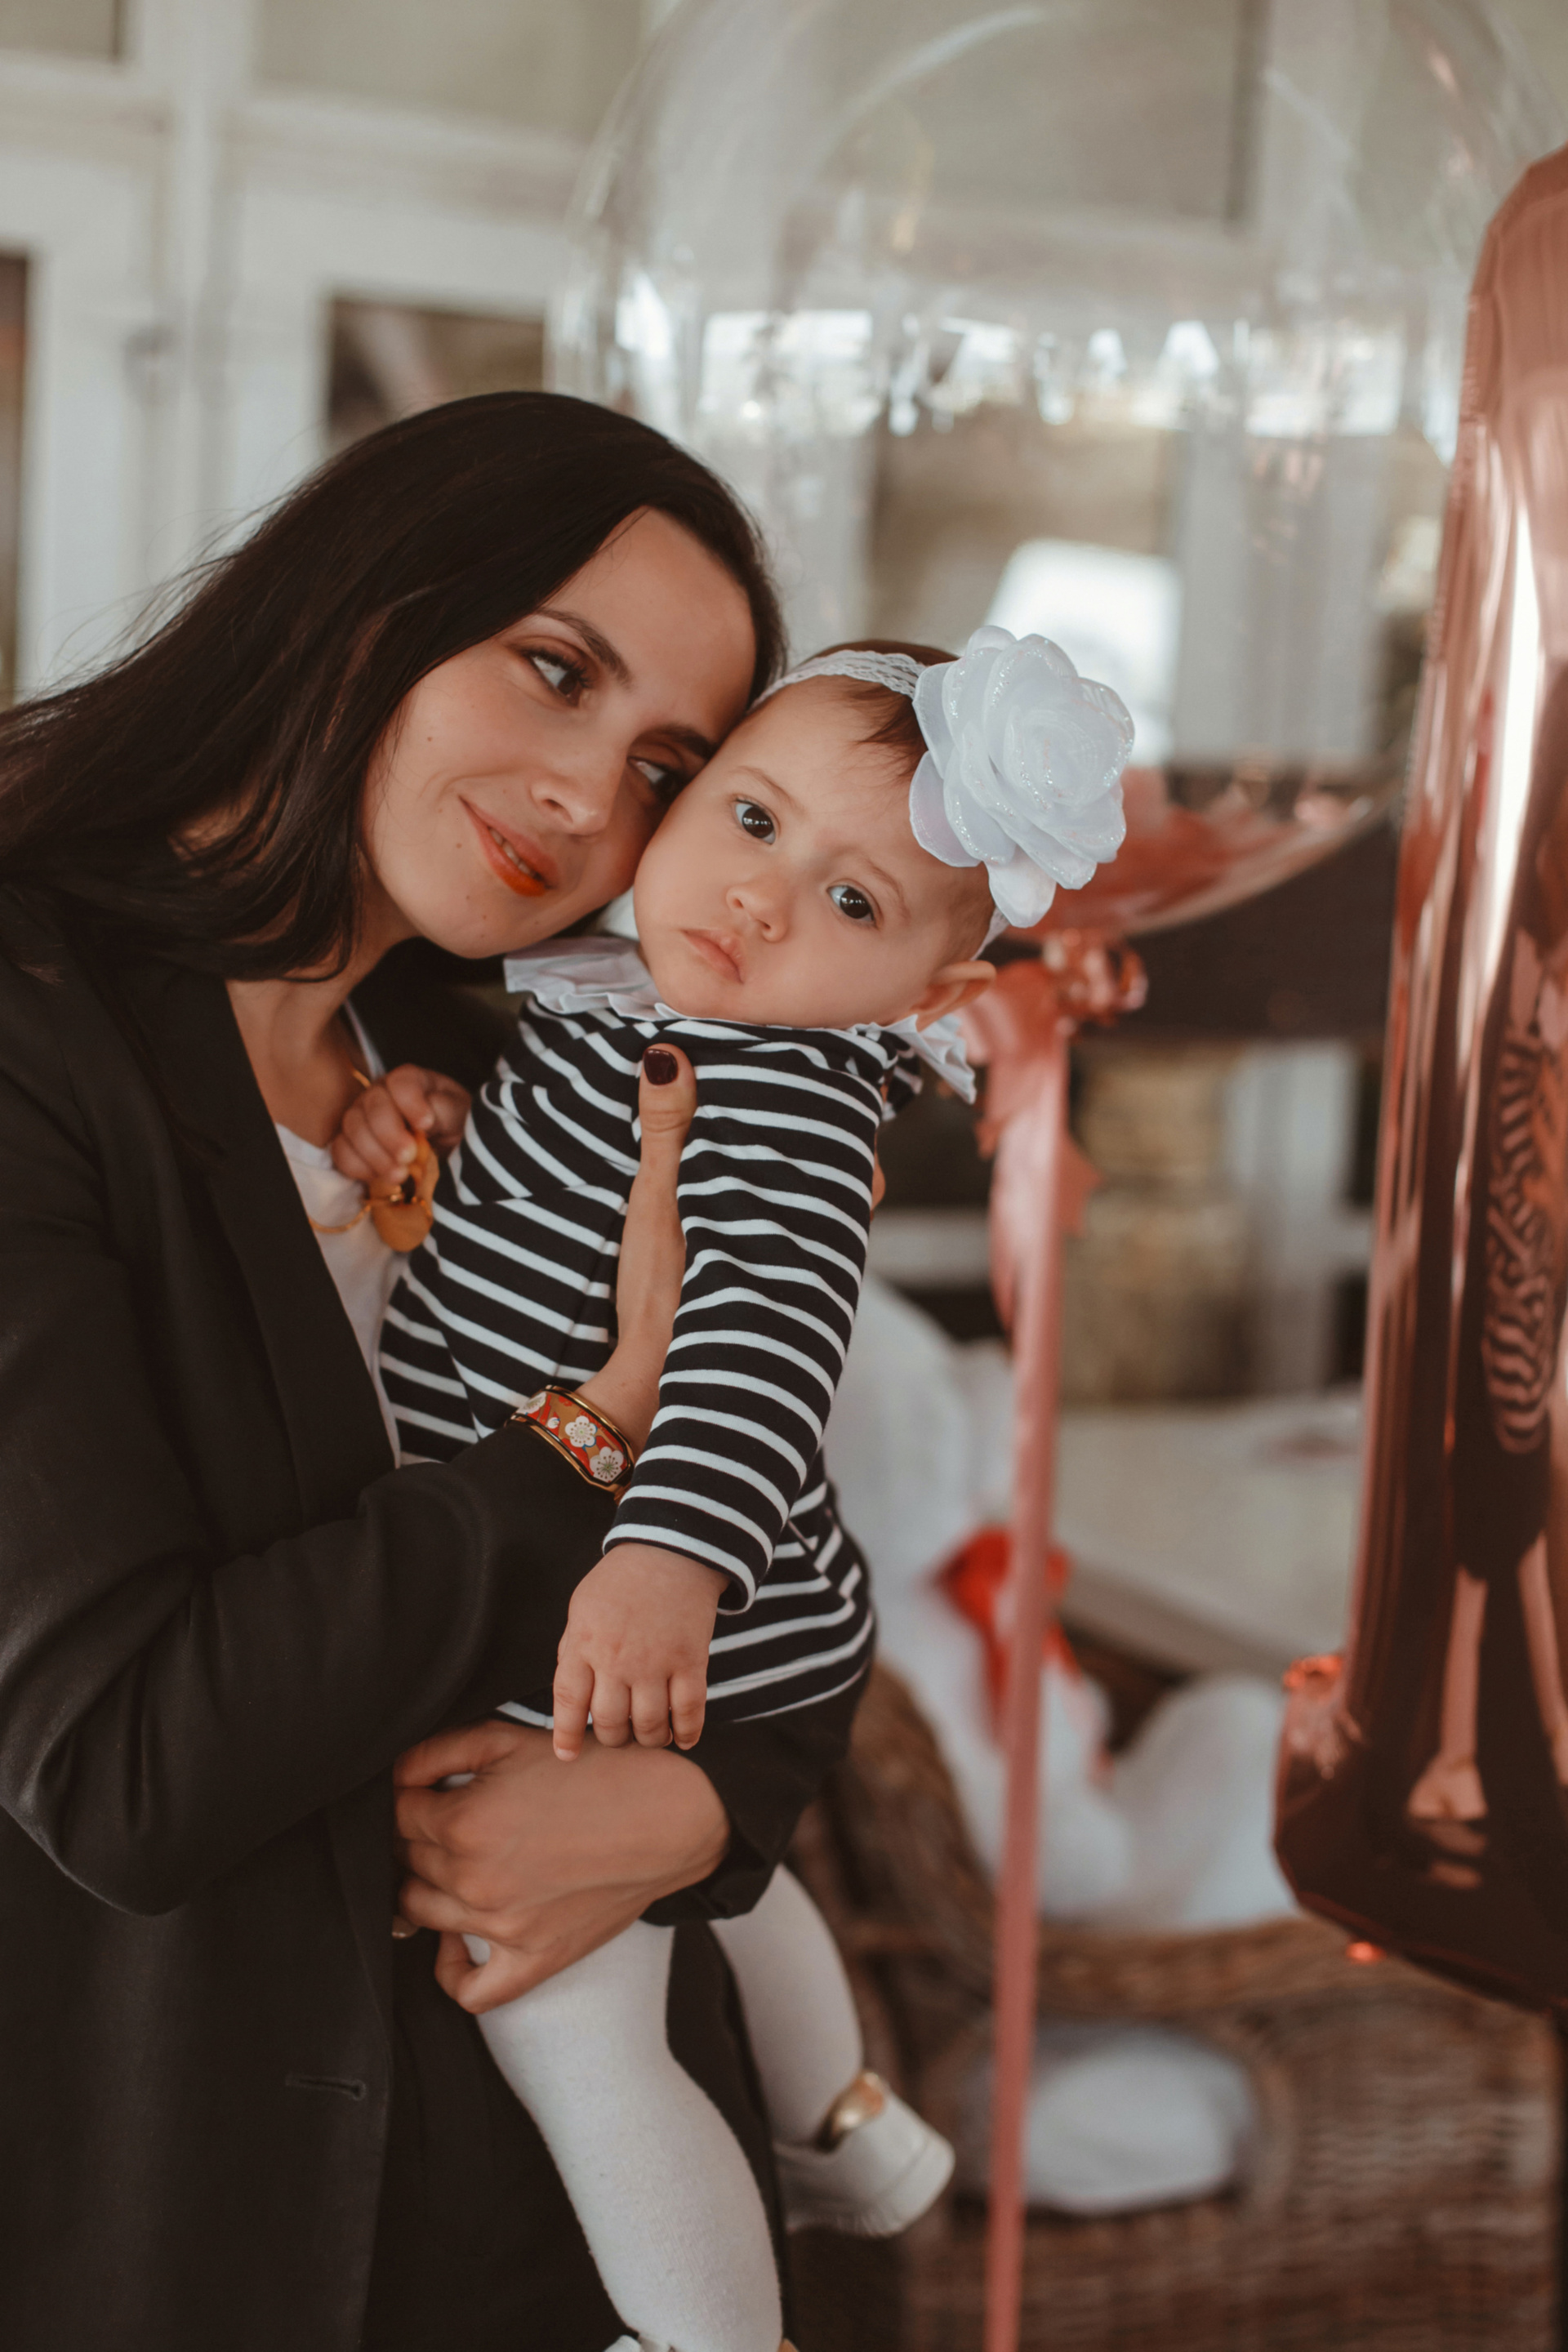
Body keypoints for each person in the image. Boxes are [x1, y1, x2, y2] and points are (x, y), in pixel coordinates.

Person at [0, 390, 872, 2352]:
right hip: (204, 2213)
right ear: (365, 605)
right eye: (555, 670)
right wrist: (595, 1431)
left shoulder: (515, 1067)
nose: (583, 796)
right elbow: (122, 1765)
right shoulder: (38, 1032)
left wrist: (695, 1813)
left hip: (553, 2225)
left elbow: (786, 1562)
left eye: (665, 767)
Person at [336, 629, 1133, 2352]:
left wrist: (666, 1566)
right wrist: (436, 1127)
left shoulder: (787, 1101)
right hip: (674, 1601)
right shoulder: (620, 1003)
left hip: (649, 1610)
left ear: (928, 993)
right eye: (755, 819)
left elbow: (760, 1353)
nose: (765, 900)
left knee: (576, 2032)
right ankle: (848, 2121)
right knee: (737, 1889)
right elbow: (537, 1203)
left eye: (853, 902)